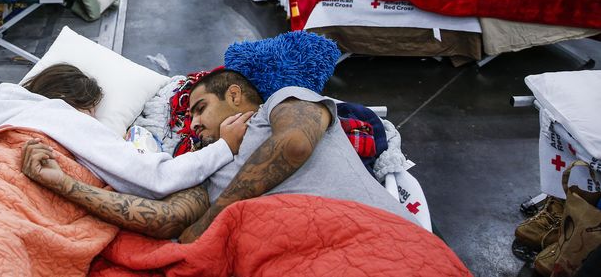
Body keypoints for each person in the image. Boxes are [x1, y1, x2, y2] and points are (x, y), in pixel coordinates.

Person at [22, 68, 416, 243]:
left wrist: (213, 214)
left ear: (233, 96)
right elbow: (164, 219)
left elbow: (295, 144)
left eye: (199, 108)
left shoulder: (281, 104)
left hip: (369, 231)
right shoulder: (204, 168)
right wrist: (64, 183)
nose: (191, 124)